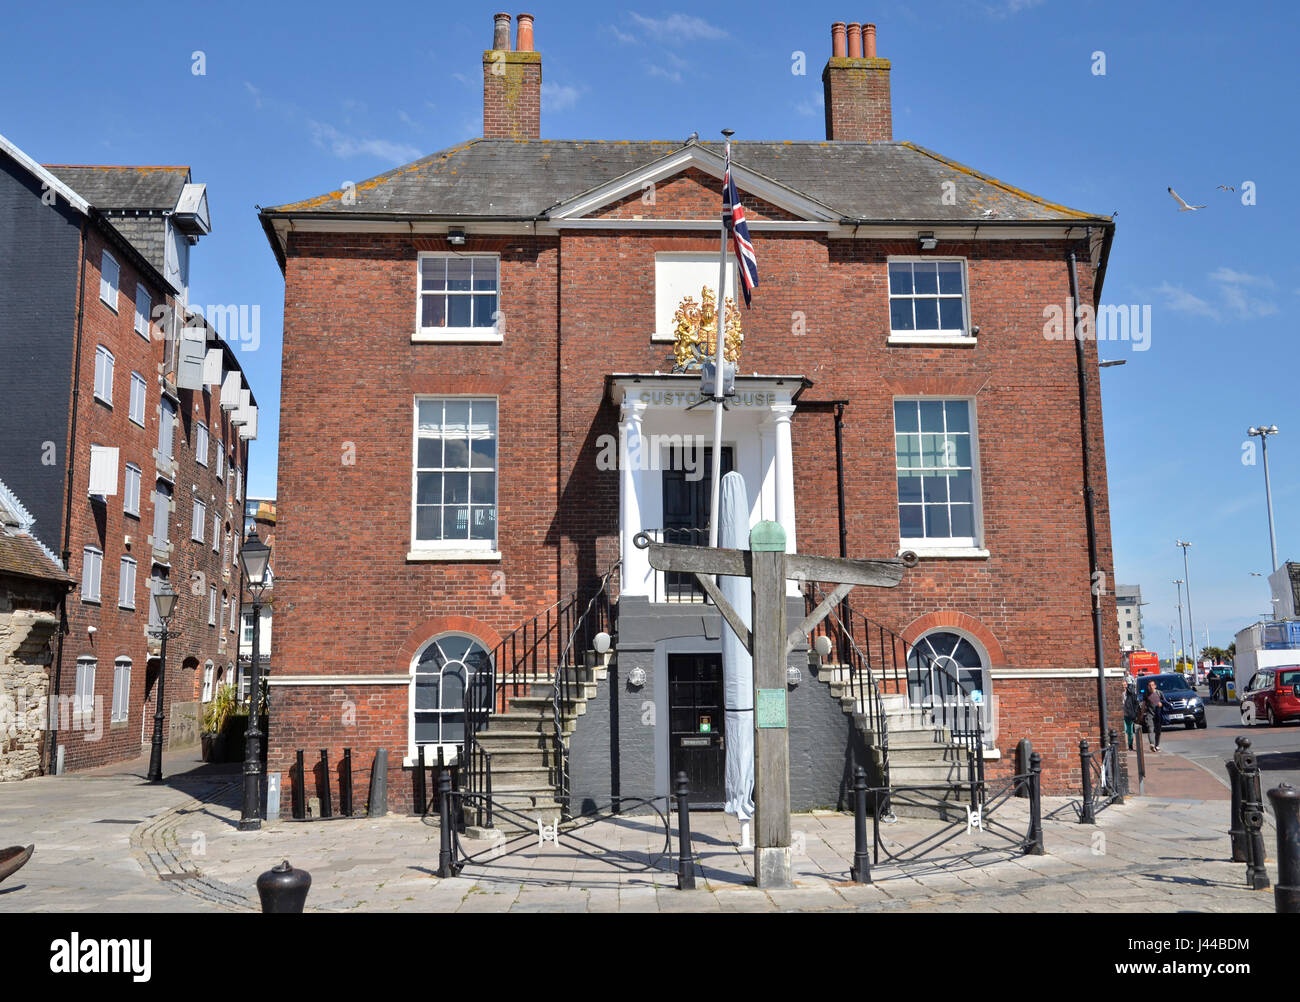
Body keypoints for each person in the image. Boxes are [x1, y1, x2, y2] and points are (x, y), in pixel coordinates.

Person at [1143, 679, 1163, 752]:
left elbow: (1164, 702)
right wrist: (1141, 714)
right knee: (1150, 728)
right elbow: (1144, 704)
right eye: (1149, 685)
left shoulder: (1159, 693)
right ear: (1148, 687)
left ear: (1155, 686)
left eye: (1152, 685)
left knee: (1158, 731)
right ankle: (1152, 744)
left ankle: (1157, 745)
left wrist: (1161, 704)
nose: (1151, 687)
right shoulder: (1146, 694)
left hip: (1158, 714)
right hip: (1149, 714)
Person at [1123, 679, 1140, 750]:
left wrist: (1134, 713)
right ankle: (1123, 745)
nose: (1123, 687)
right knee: (1124, 729)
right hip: (1122, 714)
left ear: (1127, 685)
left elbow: (1136, 703)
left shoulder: (1131, 693)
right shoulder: (1118, 693)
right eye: (1122, 685)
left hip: (1129, 714)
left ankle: (1130, 745)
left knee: (1130, 731)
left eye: (1124, 685)